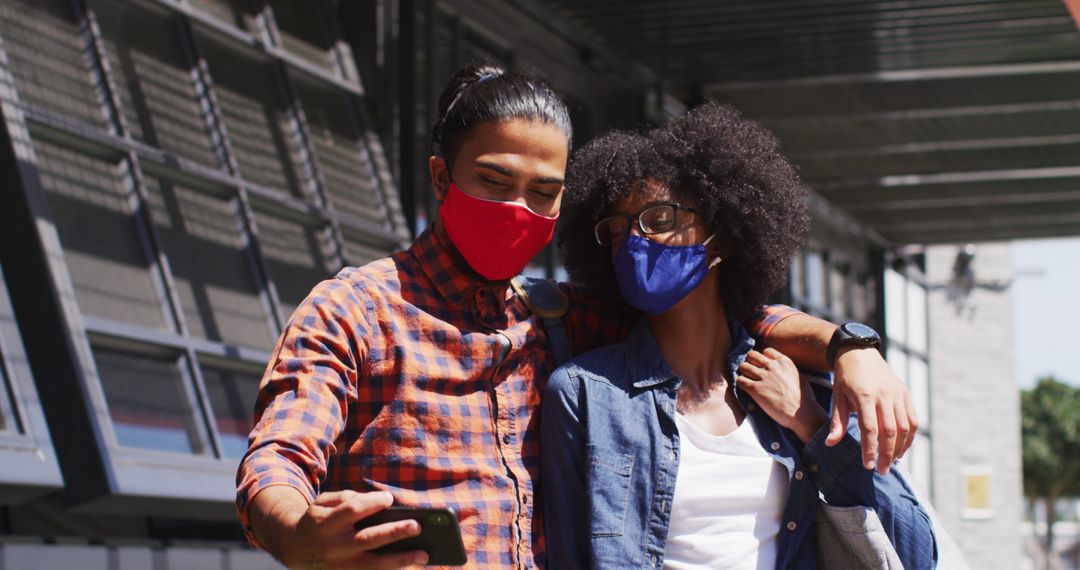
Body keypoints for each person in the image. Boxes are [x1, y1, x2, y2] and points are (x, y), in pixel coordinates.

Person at [235, 63, 918, 569]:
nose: (518, 209)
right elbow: (276, 459)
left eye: (544, 193)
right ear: (443, 178)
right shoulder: (356, 310)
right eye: (495, 182)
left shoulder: (563, 319)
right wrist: (298, 532)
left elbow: (725, 315)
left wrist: (849, 348)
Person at [541, 104, 935, 569]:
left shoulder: (803, 385)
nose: (635, 241)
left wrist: (809, 427)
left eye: (659, 219)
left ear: (722, 238)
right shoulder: (585, 393)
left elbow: (912, 550)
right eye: (618, 229)